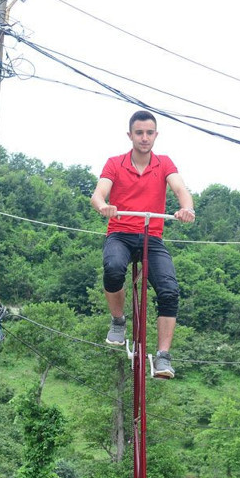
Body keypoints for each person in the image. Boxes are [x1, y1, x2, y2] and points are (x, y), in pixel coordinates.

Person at [90, 110, 195, 379]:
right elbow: (99, 193)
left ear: (155, 135)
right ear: (130, 135)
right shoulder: (115, 163)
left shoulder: (164, 163)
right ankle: (118, 321)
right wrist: (104, 206)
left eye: (149, 133)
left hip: (152, 237)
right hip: (121, 233)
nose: (144, 138)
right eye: (139, 133)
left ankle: (163, 357)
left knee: (169, 291)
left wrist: (186, 209)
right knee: (113, 268)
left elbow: (181, 190)